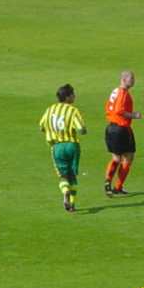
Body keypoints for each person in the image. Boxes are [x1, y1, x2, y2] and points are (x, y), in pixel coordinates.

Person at [39, 84, 87, 212]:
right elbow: (81, 130)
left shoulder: (50, 109)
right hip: (72, 146)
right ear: (67, 97)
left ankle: (65, 191)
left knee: (62, 176)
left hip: (57, 146)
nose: (74, 96)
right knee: (72, 175)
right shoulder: (73, 111)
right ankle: (72, 204)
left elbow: (41, 126)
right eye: (72, 94)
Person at [104, 70, 141, 197]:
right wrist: (133, 115)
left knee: (116, 158)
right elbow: (119, 110)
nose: (133, 80)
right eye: (131, 78)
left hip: (111, 127)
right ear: (124, 80)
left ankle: (108, 180)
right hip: (121, 128)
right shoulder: (123, 93)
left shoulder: (115, 91)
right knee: (128, 157)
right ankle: (117, 186)